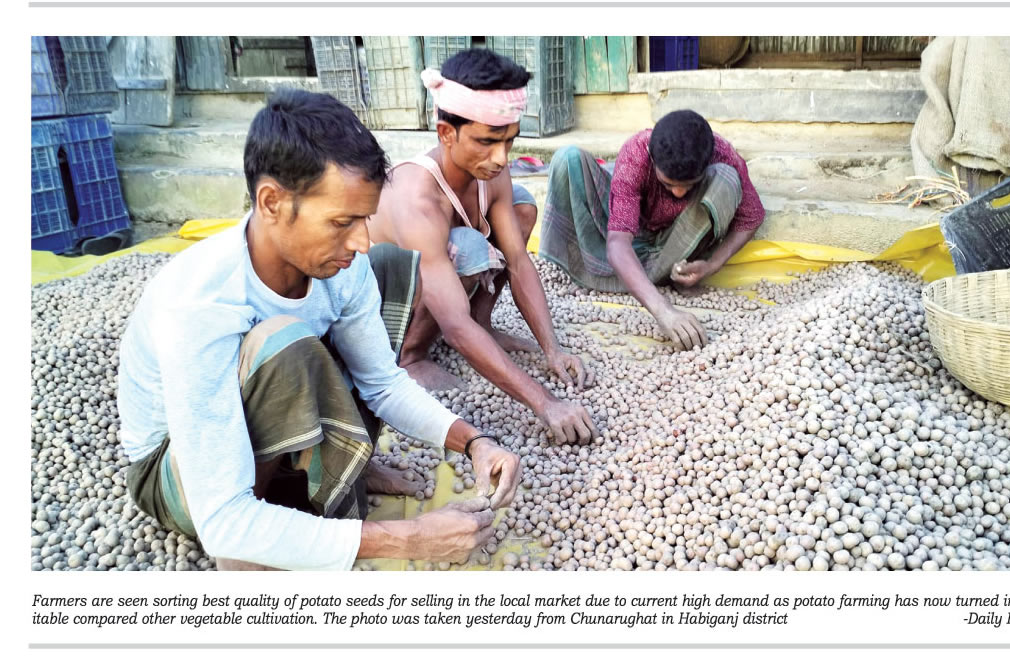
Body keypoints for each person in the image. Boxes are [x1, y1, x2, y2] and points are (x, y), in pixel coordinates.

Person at [117, 89, 521, 571]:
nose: (360, 240)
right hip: (179, 471)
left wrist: (475, 442)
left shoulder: (342, 265)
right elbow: (219, 519)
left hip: (263, 425)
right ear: (271, 202)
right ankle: (253, 550)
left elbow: (382, 383)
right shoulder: (202, 300)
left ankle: (336, 472)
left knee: (387, 267)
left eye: (365, 218)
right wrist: (409, 538)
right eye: (342, 222)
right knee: (284, 346)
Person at [367, 48, 596, 446]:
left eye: (509, 141)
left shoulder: (491, 171)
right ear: (446, 133)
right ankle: (411, 356)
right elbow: (455, 327)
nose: (501, 157)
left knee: (521, 207)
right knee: (468, 247)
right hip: (383, 309)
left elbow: (519, 261)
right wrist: (546, 403)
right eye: (488, 142)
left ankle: (483, 324)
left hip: (441, 285)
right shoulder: (418, 199)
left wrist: (553, 350)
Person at [539, 109, 766, 351]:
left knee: (726, 177)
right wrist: (663, 310)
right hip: (631, 236)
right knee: (567, 157)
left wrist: (712, 265)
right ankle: (638, 278)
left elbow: (752, 216)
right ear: (653, 158)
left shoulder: (722, 153)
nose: (678, 192)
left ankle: (667, 274)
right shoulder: (637, 152)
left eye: (689, 185)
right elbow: (618, 243)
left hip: (677, 243)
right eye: (668, 184)